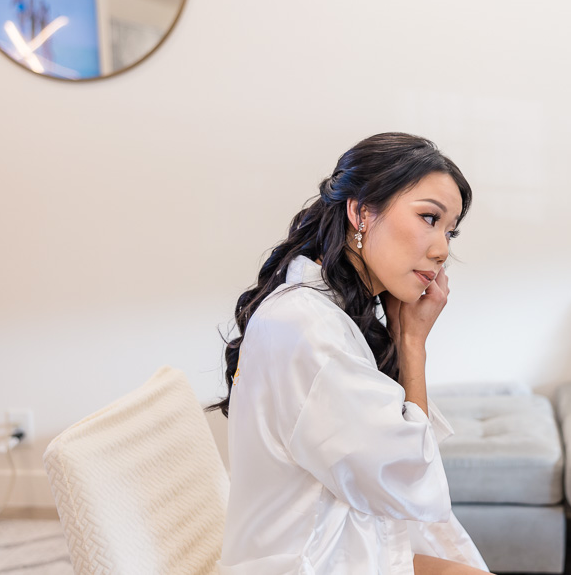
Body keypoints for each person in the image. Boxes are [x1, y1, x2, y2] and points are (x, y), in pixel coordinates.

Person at [210, 133, 490, 575]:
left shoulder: (322, 310)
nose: (442, 250)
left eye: (449, 230)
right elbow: (406, 483)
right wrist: (412, 344)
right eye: (428, 218)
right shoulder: (306, 325)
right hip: (309, 561)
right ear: (361, 211)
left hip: (332, 547)